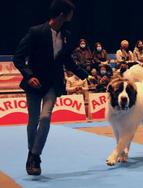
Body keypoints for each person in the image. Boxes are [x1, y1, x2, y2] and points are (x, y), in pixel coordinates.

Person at [13, 0, 89, 176]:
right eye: (70, 13)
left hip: (53, 84)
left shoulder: (66, 35)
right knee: (33, 122)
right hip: (34, 83)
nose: (72, 16)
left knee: (45, 117)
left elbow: (66, 60)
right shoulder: (36, 32)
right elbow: (19, 58)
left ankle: (35, 156)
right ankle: (32, 154)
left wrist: (85, 75)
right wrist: (29, 75)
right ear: (62, 14)